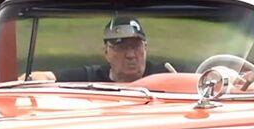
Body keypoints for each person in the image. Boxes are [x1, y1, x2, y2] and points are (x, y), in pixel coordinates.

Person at [23, 16, 167, 82]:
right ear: (106, 52)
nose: (130, 55)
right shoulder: (92, 79)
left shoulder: (165, 75)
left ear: (145, 48)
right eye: (121, 47)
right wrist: (25, 81)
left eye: (136, 46)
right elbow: (46, 78)